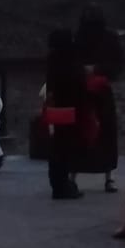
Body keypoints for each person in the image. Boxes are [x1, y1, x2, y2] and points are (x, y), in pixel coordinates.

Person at [43, 29, 86, 199]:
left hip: (57, 107)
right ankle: (63, 186)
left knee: (57, 147)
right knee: (64, 148)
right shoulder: (70, 60)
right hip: (69, 107)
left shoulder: (53, 59)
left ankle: (59, 183)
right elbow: (77, 82)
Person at [81, 63, 120, 192]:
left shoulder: (101, 84)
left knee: (104, 149)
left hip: (101, 120)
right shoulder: (85, 84)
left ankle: (108, 179)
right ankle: (108, 180)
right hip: (93, 119)